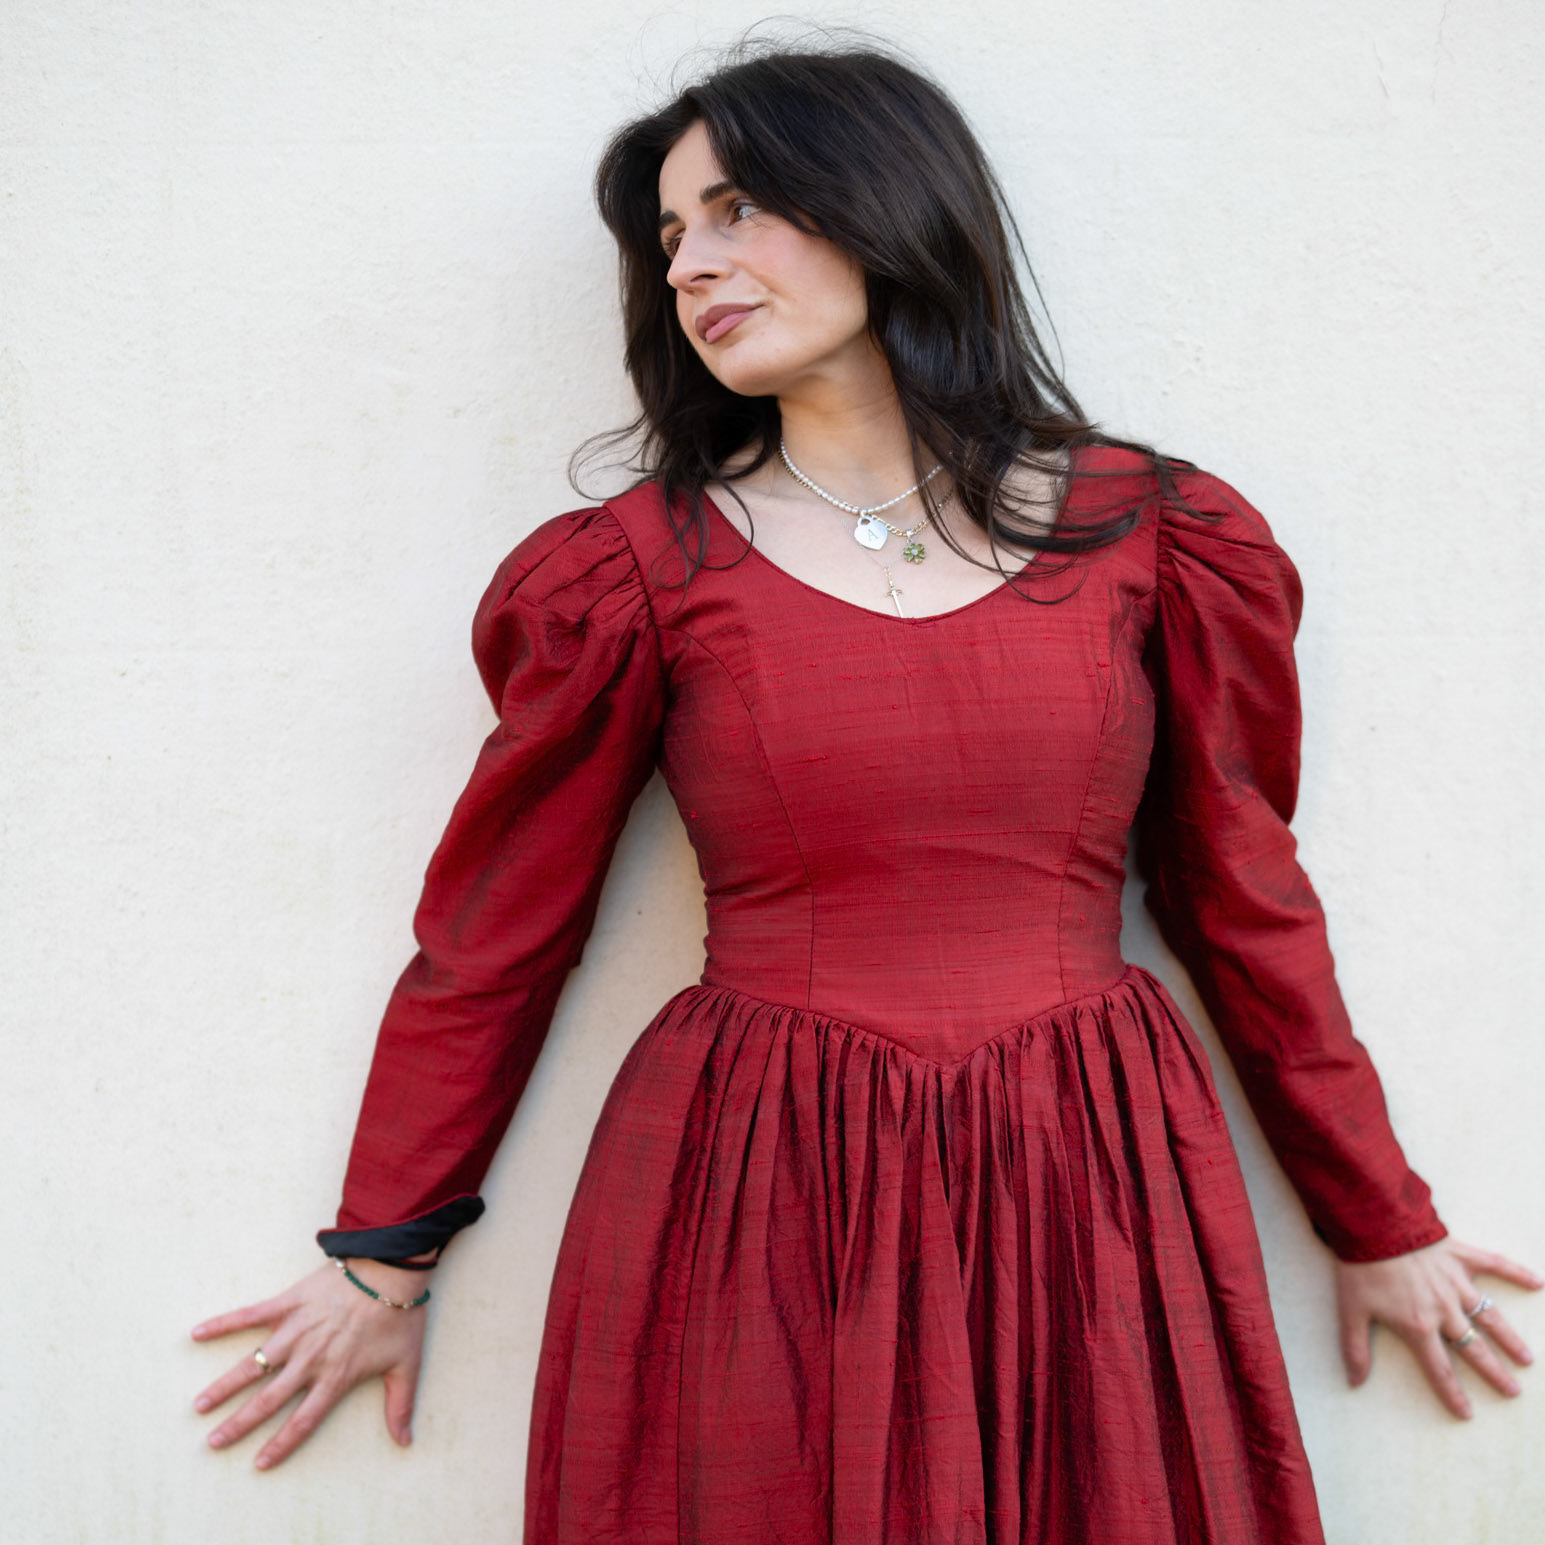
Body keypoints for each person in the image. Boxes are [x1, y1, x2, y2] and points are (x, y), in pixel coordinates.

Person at [189, 32, 1540, 1544]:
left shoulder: (1155, 537)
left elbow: (1241, 891)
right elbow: (499, 929)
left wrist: (1376, 1218)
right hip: (764, 1177)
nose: (691, 266)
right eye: (669, 238)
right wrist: (382, 1257)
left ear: (884, 204)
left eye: (737, 210)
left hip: (1084, 1162)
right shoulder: (633, 577)